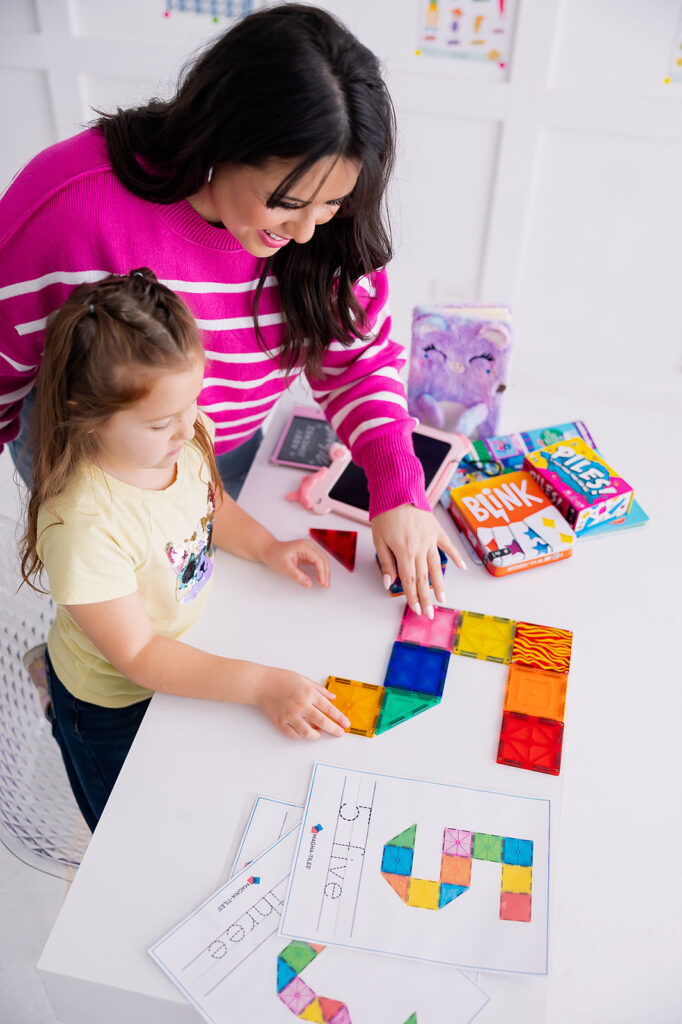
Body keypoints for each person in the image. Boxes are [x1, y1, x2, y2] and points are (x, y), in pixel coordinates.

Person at [0, 3, 465, 620]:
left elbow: (355, 359)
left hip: (222, 454)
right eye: (285, 202)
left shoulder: (323, 231)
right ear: (220, 139)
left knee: (198, 602)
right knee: (114, 634)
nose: (304, 233)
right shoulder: (71, 206)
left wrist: (398, 491)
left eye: (331, 204)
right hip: (94, 463)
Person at [19, 270, 350, 832]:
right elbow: (140, 656)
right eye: (159, 422)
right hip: (110, 700)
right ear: (84, 411)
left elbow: (209, 498)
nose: (185, 428)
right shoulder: (83, 523)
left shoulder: (183, 434)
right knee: (126, 834)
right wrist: (262, 685)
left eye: (191, 402)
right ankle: (56, 694)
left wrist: (267, 546)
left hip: (182, 644)